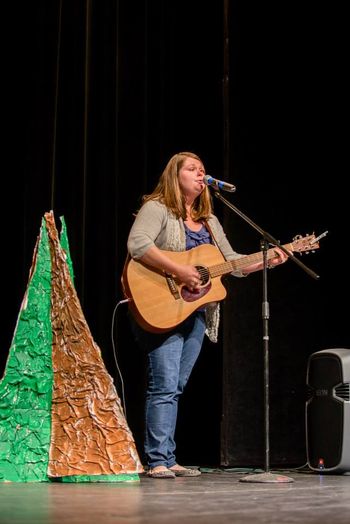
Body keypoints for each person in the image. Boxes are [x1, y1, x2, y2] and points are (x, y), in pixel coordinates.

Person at [125, 151, 288, 479]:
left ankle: (168, 458)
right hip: (161, 304)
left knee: (177, 385)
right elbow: (137, 243)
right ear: (176, 175)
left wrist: (267, 259)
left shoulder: (210, 221)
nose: (201, 175)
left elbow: (231, 262)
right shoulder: (157, 208)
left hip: (196, 311)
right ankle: (157, 459)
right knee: (165, 385)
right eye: (193, 170)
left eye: (203, 171)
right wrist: (181, 271)